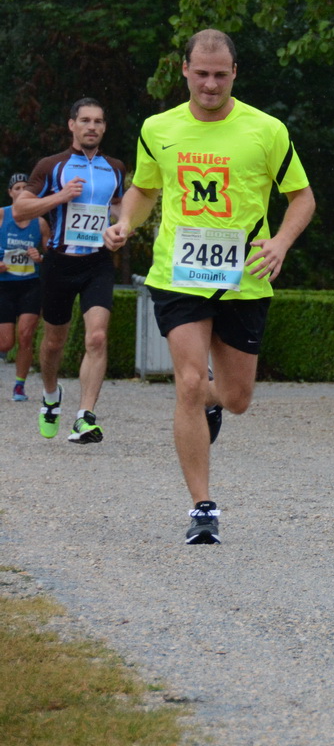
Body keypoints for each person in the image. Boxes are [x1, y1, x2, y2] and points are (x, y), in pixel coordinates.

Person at [103, 30, 315, 544]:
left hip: (245, 278)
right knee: (189, 382)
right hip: (179, 274)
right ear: (185, 70)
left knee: (237, 398)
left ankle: (214, 402)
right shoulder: (158, 128)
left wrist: (281, 243)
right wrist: (125, 222)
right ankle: (203, 508)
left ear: (235, 73)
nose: (211, 84)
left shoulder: (266, 130)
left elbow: (302, 197)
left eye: (221, 74)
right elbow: (144, 188)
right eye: (201, 73)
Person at [14, 99, 127, 442]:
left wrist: (122, 229)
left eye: (98, 121)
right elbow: (21, 210)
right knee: (53, 343)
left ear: (104, 127)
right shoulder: (52, 166)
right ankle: (51, 397)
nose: (92, 127)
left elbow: (120, 207)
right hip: (59, 263)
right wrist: (59, 197)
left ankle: (84, 417)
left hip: (97, 262)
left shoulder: (115, 168)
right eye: (85, 120)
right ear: (72, 125)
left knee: (97, 337)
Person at [1, 174, 46, 401]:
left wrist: (40, 258)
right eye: (16, 188)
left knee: (26, 335)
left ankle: (19, 386)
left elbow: (53, 256)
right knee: (6, 342)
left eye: (24, 188)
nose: (20, 192)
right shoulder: (2, 215)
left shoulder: (40, 222)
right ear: (10, 193)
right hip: (3, 285)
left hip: (30, 284)